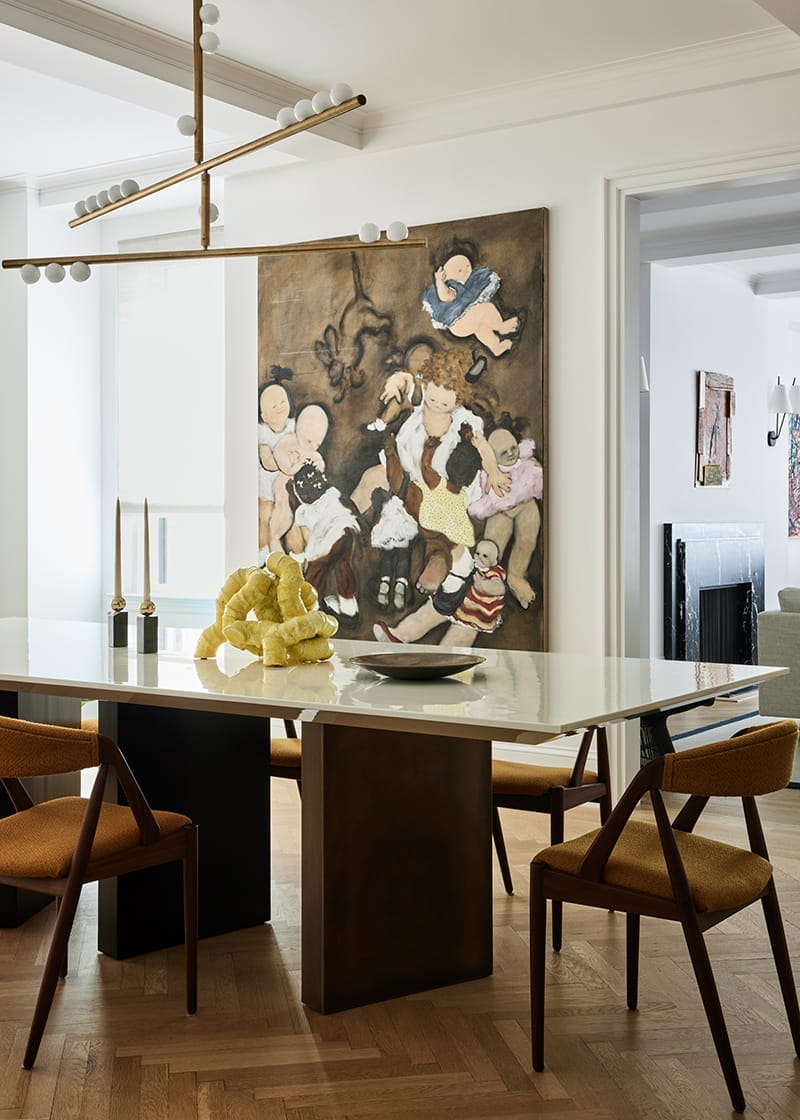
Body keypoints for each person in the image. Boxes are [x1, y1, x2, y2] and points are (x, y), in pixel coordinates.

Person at [351, 349, 510, 596]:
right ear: (426, 387)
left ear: (459, 399)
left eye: (445, 403)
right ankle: (345, 523)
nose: (436, 406)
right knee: (370, 478)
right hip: (407, 477)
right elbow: (407, 381)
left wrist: (494, 471)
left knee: (445, 533)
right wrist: (397, 381)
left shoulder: (464, 421)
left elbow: (482, 446)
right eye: (432, 399)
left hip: (443, 490)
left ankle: (442, 561)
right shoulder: (420, 405)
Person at [373, 538, 505, 648]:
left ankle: (446, 659)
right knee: (425, 615)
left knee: (458, 639)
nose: (480, 558)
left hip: (473, 613)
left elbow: (499, 587)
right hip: (452, 599)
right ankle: (398, 635)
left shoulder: (494, 573)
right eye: (478, 553)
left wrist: (484, 585)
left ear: (494, 561)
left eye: (485, 556)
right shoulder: (472, 565)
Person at [468, 425, 542, 608]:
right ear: (493, 455)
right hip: (500, 512)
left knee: (527, 542)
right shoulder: (487, 474)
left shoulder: (526, 463)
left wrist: (538, 472)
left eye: (513, 448)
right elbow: (480, 505)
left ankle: (516, 576)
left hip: (525, 505)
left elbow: (539, 488)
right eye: (504, 452)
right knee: (492, 548)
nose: (511, 454)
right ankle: (484, 584)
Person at [289, 460, 361, 623]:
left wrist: (309, 557)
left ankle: (311, 608)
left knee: (317, 570)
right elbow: (350, 507)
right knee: (343, 565)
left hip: (330, 537)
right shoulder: (332, 494)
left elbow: (309, 539)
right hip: (346, 530)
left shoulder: (304, 512)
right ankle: (349, 608)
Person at [421, 249, 523, 357]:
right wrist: (440, 282)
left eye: (467, 266)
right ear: (447, 276)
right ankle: (501, 327)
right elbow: (446, 296)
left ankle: (496, 347)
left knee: (481, 328)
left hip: (463, 323)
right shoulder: (452, 285)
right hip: (460, 320)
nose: (466, 270)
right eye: (460, 270)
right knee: (487, 308)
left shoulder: (467, 285)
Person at [267, 404, 330, 553]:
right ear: (299, 429)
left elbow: (319, 461)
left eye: (318, 443)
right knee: (283, 512)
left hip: (304, 494)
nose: (313, 447)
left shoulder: (312, 452)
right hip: (286, 486)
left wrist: (319, 466)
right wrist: (291, 467)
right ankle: (274, 541)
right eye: (309, 441)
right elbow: (278, 453)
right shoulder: (289, 442)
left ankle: (313, 549)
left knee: (310, 521)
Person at [257, 373, 295, 562]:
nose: (280, 407)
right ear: (264, 416)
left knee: (293, 517)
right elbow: (267, 461)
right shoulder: (262, 432)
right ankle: (262, 550)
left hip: (289, 483)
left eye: (282, 401)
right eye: (273, 406)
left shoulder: (294, 426)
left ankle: (298, 554)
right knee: (264, 515)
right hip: (268, 483)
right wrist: (286, 462)